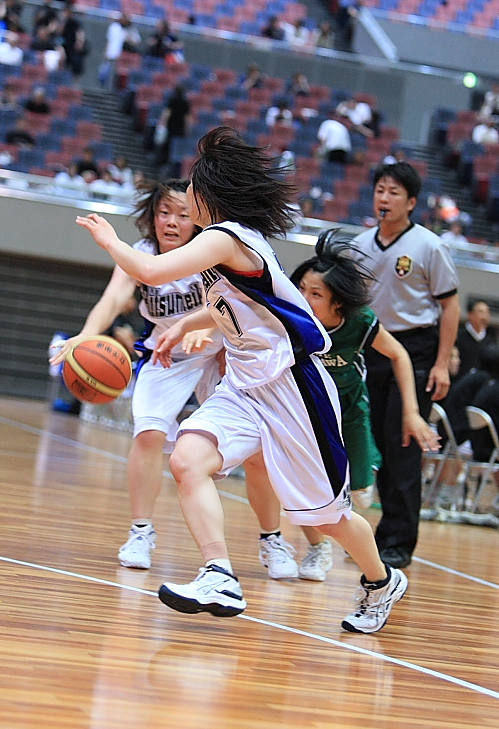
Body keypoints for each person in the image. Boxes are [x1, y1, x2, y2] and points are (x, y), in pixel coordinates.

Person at [76, 127, 409, 634]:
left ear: (207, 195)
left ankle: (381, 579)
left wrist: (109, 240)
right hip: (245, 385)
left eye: (189, 188)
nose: (183, 197)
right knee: (187, 459)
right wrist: (187, 324)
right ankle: (218, 574)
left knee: (323, 517)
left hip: (293, 385)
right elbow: (237, 307)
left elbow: (150, 269)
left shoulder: (224, 238)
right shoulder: (223, 245)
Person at [50, 179, 223, 571]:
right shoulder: (142, 253)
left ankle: (274, 537)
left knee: (253, 457)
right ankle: (141, 531)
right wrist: (86, 336)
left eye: (182, 213)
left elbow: (237, 302)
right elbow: (113, 298)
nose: (172, 221)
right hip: (165, 356)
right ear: (152, 216)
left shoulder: (209, 251)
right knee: (147, 434)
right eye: (164, 212)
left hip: (218, 355)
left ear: (195, 219)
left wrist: (209, 329)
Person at [247, 230, 439, 582]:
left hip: (348, 410)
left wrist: (411, 412)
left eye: (315, 293)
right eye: (300, 289)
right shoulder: (288, 315)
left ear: (338, 303)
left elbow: (398, 354)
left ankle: (360, 518)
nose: (303, 298)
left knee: (362, 495)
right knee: (305, 486)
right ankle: (317, 548)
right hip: (302, 409)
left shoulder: (360, 323)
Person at [353, 161, 460, 569]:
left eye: (394, 192)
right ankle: (380, 537)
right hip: (372, 347)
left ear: (411, 202)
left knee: (403, 444)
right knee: (377, 440)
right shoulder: (361, 244)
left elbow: (450, 306)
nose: (385, 197)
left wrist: (441, 363)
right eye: (380, 189)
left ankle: (398, 543)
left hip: (415, 350)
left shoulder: (429, 246)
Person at [455, 300, 496, 381]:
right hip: (459, 383)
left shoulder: (490, 341)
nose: (485, 317)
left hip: (481, 387)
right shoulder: (458, 336)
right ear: (470, 315)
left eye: (487, 313)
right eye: (481, 312)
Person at [155, 85, 190, 168]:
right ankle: (170, 165)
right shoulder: (185, 102)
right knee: (175, 147)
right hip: (179, 127)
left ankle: (163, 162)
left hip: (171, 126)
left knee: (167, 145)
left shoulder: (172, 100)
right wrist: (186, 129)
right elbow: (186, 118)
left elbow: (167, 113)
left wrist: (162, 123)